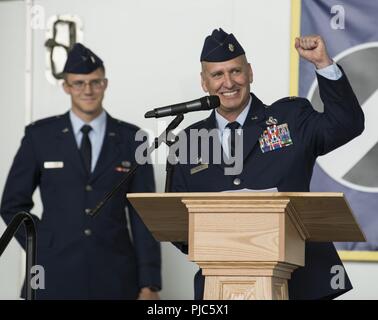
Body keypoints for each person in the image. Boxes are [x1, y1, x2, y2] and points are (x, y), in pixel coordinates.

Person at [171, 28, 364, 300]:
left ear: (250, 72)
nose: (228, 82)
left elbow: (347, 125)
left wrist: (324, 64)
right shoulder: (188, 141)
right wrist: (231, 245)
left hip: (302, 284)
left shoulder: (291, 118)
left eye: (235, 71)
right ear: (204, 83)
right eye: (217, 74)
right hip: (220, 289)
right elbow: (178, 224)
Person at [0, 43, 161, 299]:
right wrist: (41, 243)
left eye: (95, 82)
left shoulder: (132, 139)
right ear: (66, 86)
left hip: (116, 276)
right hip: (51, 273)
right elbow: (11, 204)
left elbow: (144, 216)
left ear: (105, 84)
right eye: (79, 83)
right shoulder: (39, 136)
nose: (88, 90)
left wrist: (149, 283)